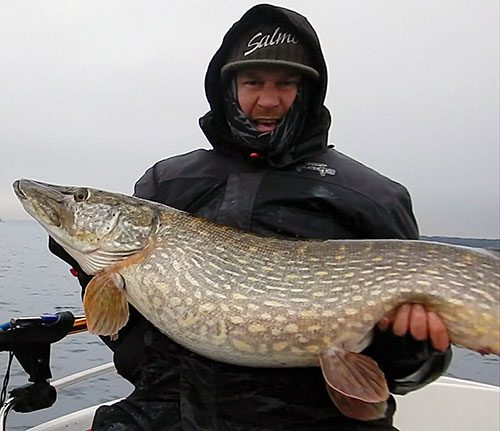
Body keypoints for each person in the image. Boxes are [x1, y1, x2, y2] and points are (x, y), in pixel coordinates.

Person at [50, 4, 452, 430]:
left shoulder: (371, 196)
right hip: (169, 415)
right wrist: (88, 270)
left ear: (309, 91)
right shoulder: (167, 183)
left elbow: (412, 372)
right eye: (253, 82)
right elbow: (126, 339)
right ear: (229, 87)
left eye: (286, 83)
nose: (267, 100)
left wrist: (407, 346)